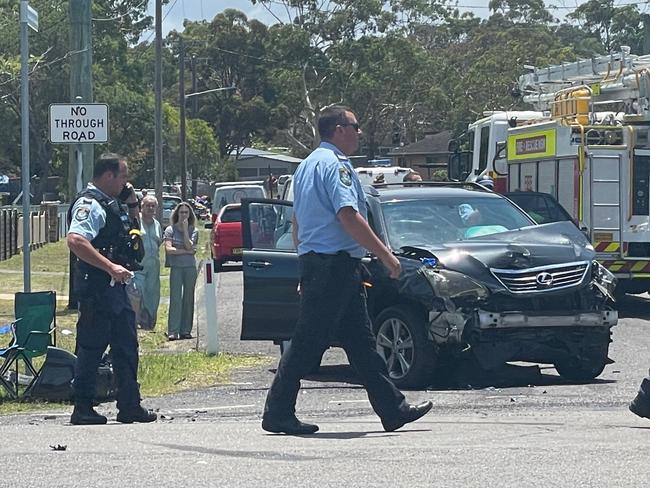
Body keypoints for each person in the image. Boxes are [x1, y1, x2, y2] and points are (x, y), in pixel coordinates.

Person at [261, 105, 433, 435]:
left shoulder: (307, 165)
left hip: (326, 264)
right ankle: (278, 411)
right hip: (333, 265)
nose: (359, 133)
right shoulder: (336, 166)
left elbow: (298, 223)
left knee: (361, 342)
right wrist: (386, 256)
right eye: (355, 126)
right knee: (307, 342)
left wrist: (305, 264)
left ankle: (392, 409)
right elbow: (349, 216)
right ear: (339, 129)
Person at [67, 153, 157, 425]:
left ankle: (129, 405)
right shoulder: (90, 203)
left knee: (126, 345)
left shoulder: (114, 204)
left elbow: (133, 239)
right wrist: (110, 267)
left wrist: (132, 205)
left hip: (115, 289)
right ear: (108, 175)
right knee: (92, 348)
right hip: (97, 288)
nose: (126, 181)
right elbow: (76, 240)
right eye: (123, 176)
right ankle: (82, 407)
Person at [164, 202, 199, 341]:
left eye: (186, 212)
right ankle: (173, 330)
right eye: (181, 212)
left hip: (190, 267)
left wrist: (185, 231)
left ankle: (185, 330)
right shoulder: (170, 230)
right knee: (176, 298)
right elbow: (169, 249)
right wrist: (185, 251)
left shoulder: (193, 230)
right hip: (176, 268)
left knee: (188, 298)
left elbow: (191, 245)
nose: (183, 215)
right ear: (177, 214)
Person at [129, 195, 162, 330]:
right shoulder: (136, 222)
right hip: (138, 265)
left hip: (154, 265)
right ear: (141, 207)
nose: (150, 208)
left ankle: (148, 322)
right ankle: (134, 322)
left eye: (153, 206)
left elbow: (159, 242)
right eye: (147, 205)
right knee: (135, 292)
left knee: (152, 294)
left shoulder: (157, 224)